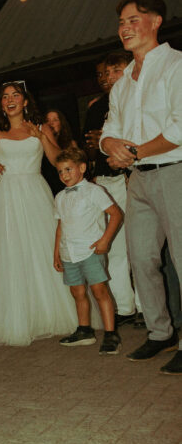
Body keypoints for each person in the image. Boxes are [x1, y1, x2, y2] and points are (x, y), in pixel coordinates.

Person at [101, 0, 182, 375]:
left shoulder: (175, 65)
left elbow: (180, 128)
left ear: (156, 22)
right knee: (141, 258)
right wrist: (111, 147)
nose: (125, 28)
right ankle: (160, 332)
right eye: (121, 22)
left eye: (134, 20)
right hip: (139, 179)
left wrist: (134, 152)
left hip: (175, 171)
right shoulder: (122, 84)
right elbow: (109, 130)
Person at [0, 82, 76, 346]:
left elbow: (57, 161)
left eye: (15, 95)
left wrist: (42, 137)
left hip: (35, 191)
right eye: (5, 96)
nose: (10, 100)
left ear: (25, 101)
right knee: (12, 254)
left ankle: (52, 313)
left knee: (43, 249)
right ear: (1, 104)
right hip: (7, 196)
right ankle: (17, 318)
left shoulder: (40, 128)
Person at [83, 50, 137, 324]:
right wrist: (98, 145)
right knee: (115, 247)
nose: (107, 77)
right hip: (106, 180)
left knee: (139, 245)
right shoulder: (96, 108)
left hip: (132, 176)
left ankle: (145, 307)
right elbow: (91, 152)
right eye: (102, 74)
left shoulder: (137, 97)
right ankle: (125, 308)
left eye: (114, 71)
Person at [53, 147, 123, 354]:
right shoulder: (60, 197)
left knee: (99, 291)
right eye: (60, 171)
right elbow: (60, 226)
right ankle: (84, 330)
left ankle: (110, 334)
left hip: (90, 250)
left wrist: (105, 240)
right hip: (69, 252)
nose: (64, 175)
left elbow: (116, 214)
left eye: (68, 169)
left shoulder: (94, 191)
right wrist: (56, 253)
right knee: (77, 292)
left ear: (82, 168)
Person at [42, 110, 77, 196]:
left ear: (61, 123)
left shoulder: (70, 144)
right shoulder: (41, 144)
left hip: (65, 186)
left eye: (55, 120)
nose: (51, 123)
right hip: (46, 186)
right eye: (47, 120)